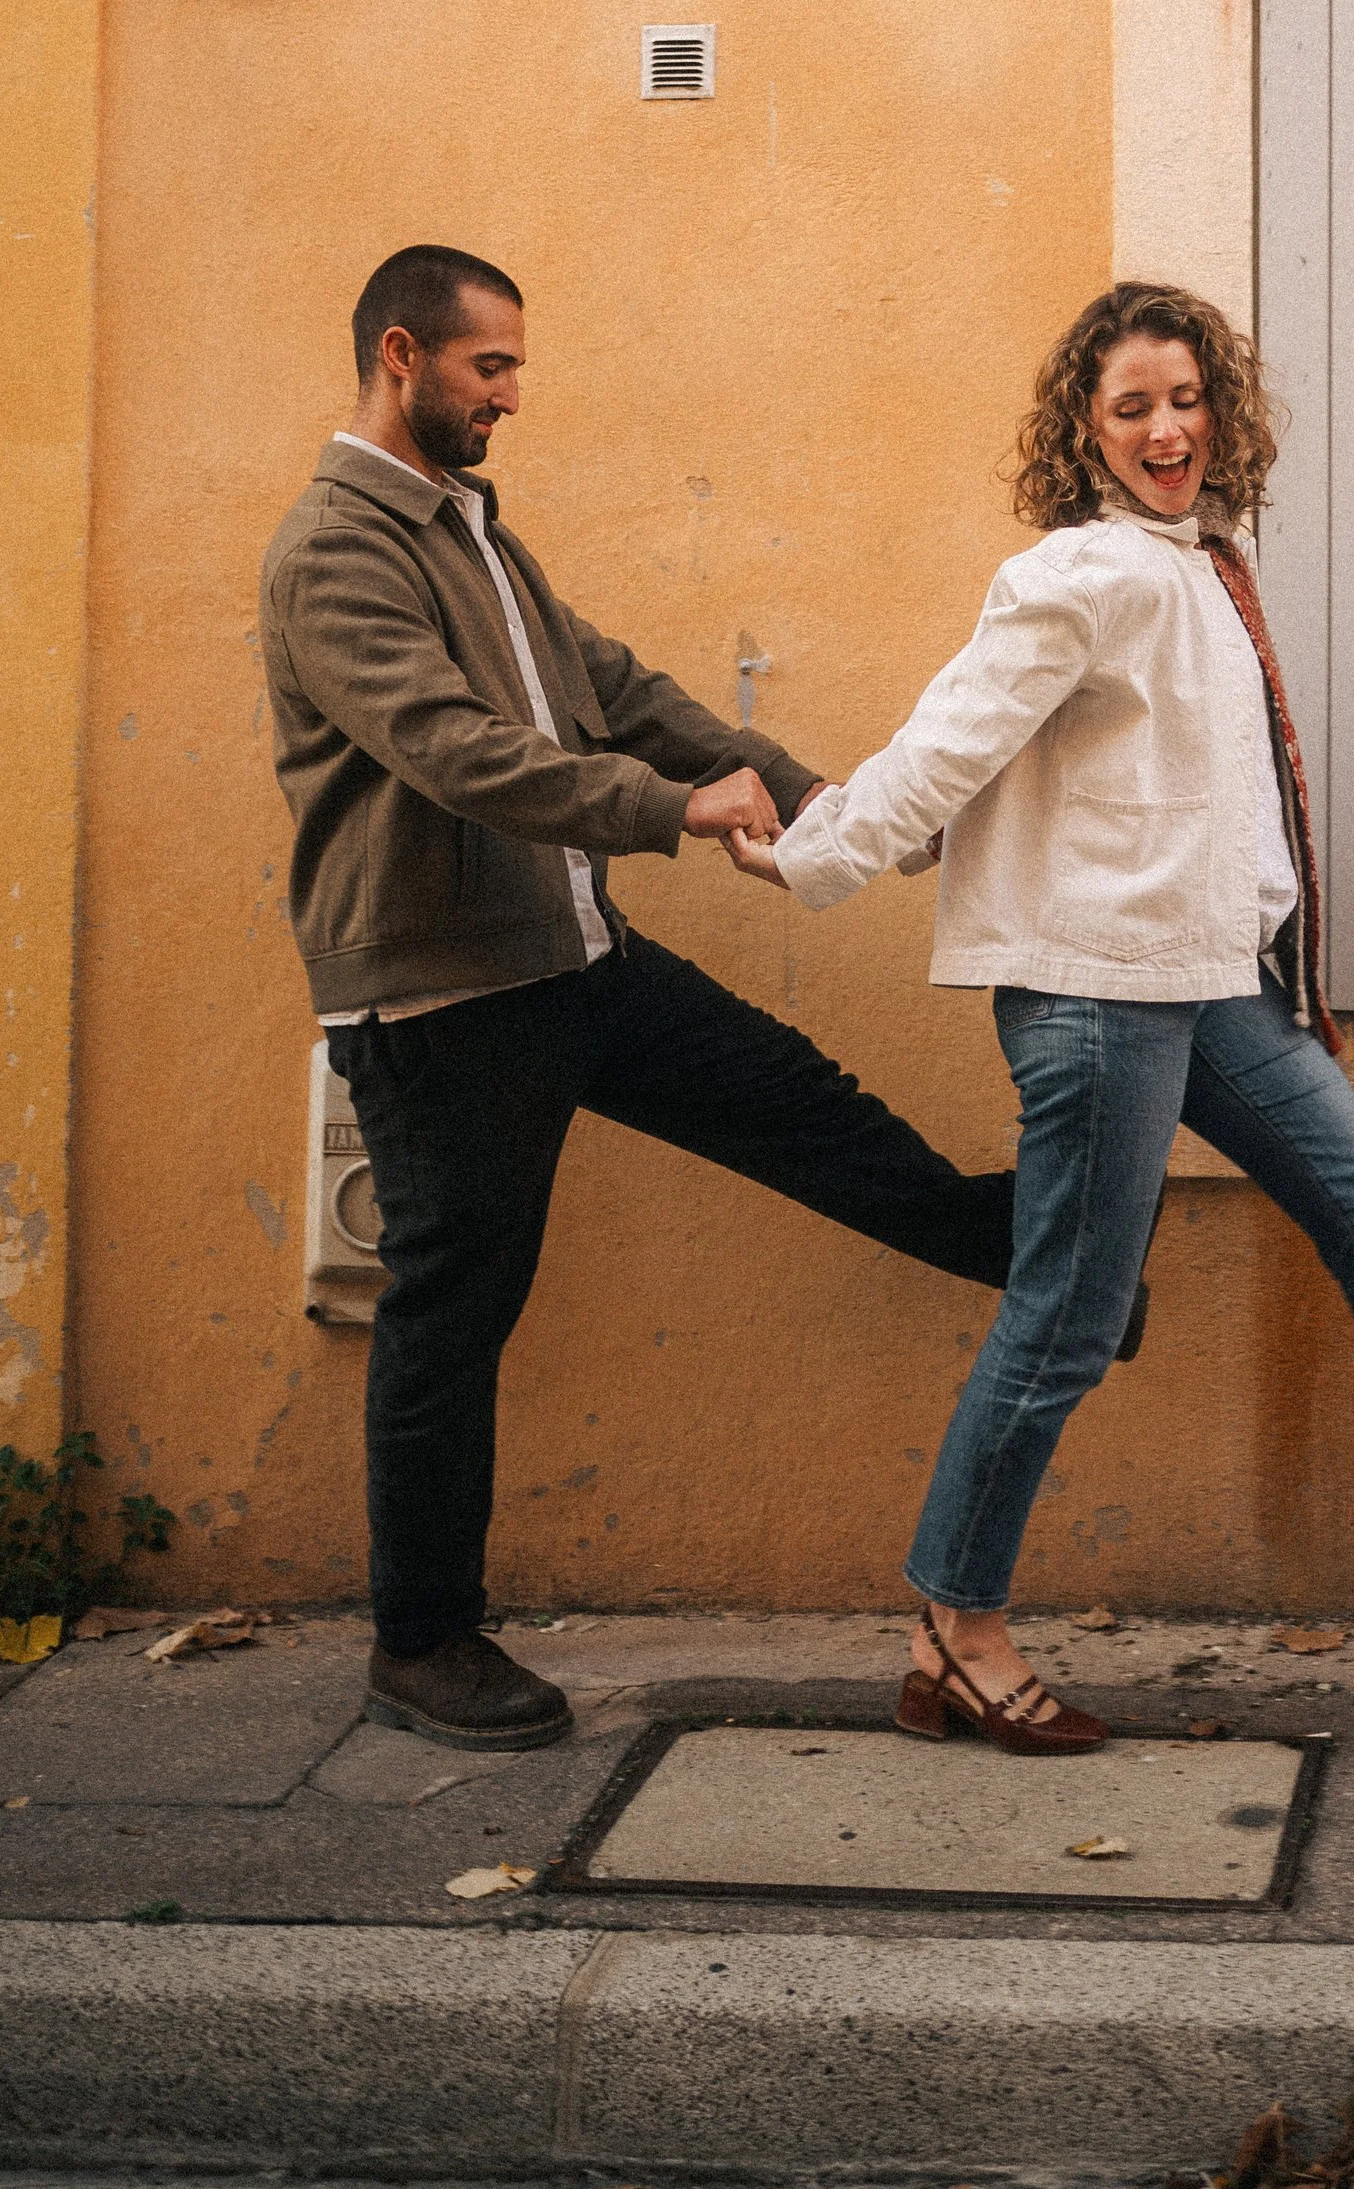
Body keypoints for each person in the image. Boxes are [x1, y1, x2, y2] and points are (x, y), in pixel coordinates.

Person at [736, 279, 1354, 1755]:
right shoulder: (1083, 573)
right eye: (1132, 407)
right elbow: (951, 745)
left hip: (1208, 985)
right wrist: (817, 851)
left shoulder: (1199, 569)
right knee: (1064, 1321)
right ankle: (956, 1624)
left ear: (1221, 411)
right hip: (1101, 993)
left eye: (1185, 399)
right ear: (1086, 429)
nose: (1166, 429)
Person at [261, 244, 1100, 1755]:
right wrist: (674, 813)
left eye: (515, 365)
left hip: (575, 960)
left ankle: (1048, 1259)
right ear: (403, 356)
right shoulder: (339, 548)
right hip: (445, 1003)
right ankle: (422, 1642)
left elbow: (617, 683)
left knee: (801, 1108)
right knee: (456, 1315)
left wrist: (811, 794)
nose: (513, 395)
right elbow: (454, 751)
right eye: (488, 367)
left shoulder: (477, 538)